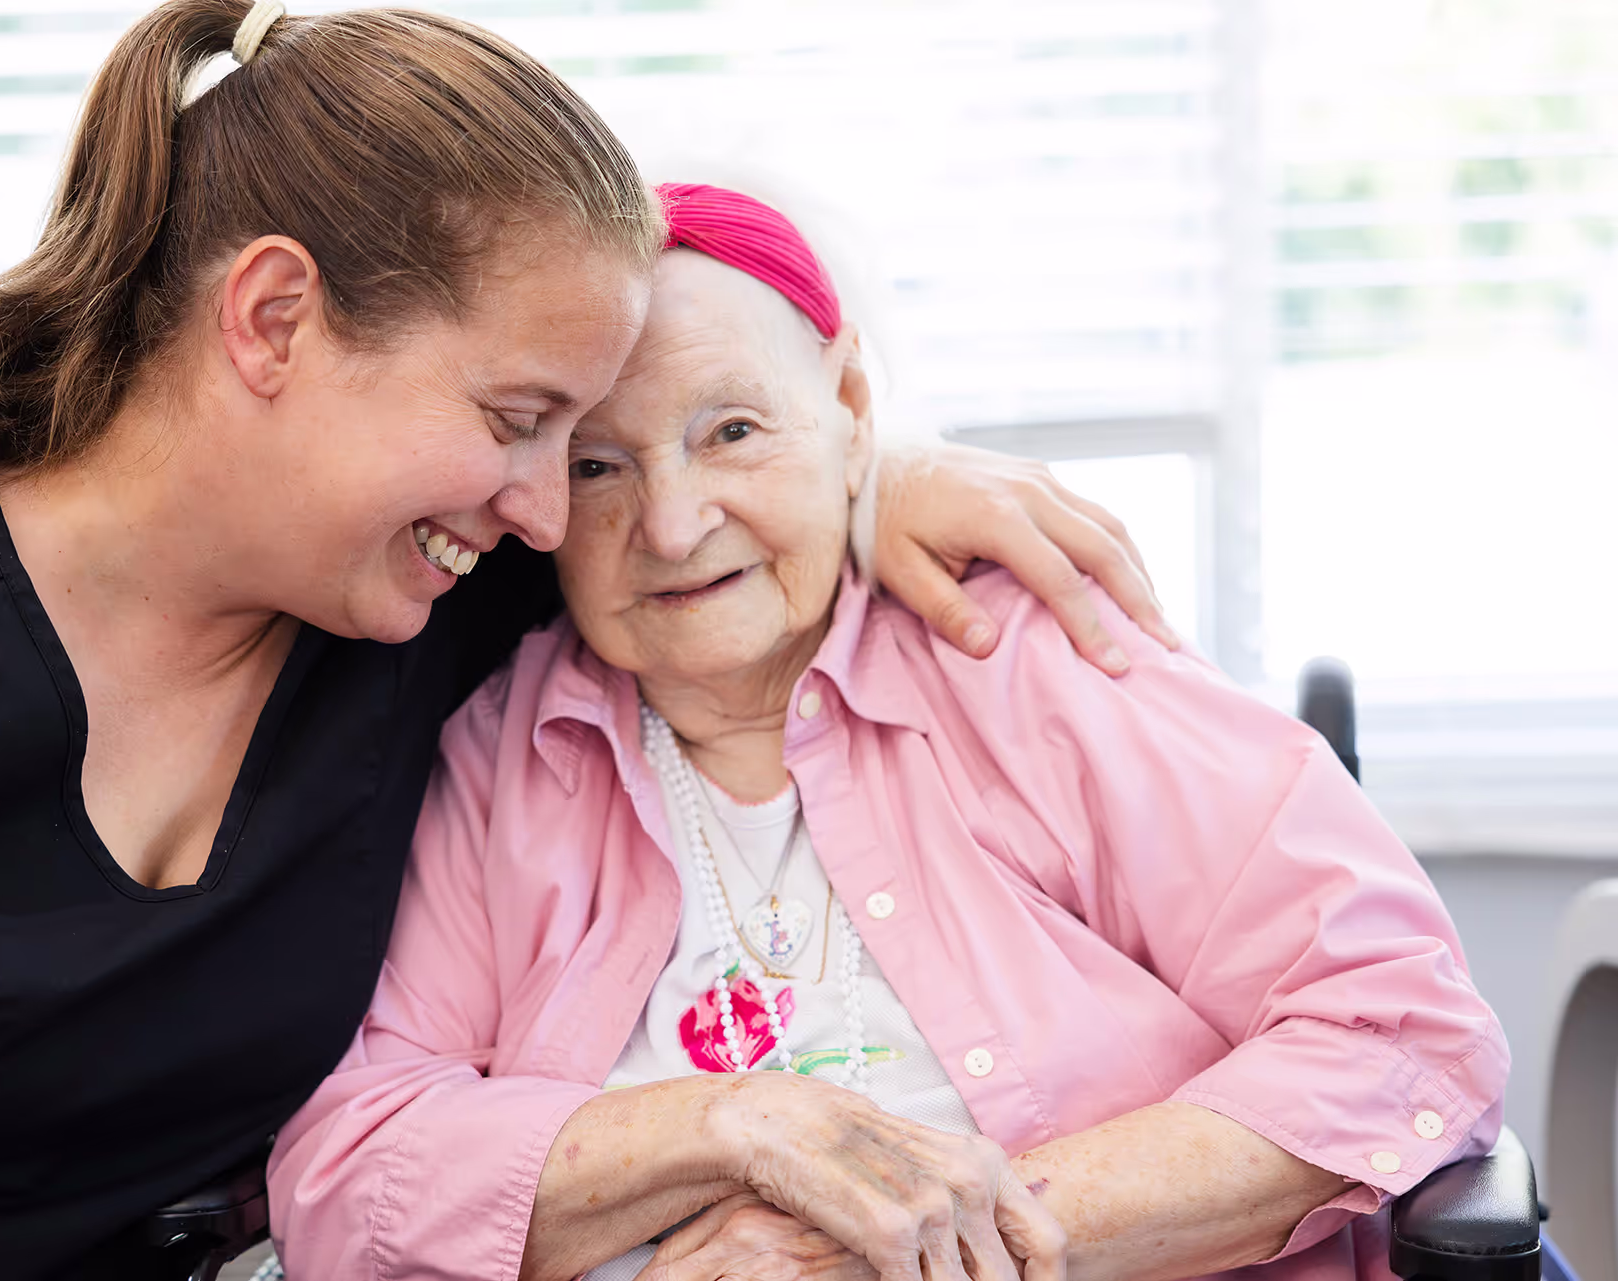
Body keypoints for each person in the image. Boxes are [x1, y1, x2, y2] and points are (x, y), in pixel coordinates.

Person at [0, 8, 1168, 1280]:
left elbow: (708, 495)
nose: (549, 509)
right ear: (272, 319)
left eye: (571, 447)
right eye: (519, 421)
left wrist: (878, 470)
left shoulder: (444, 584)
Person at [268, 185, 1510, 1281]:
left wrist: (907, 1245)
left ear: (853, 407)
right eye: (597, 466)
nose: (673, 522)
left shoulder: (1021, 655)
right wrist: (730, 1125)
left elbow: (1398, 1028)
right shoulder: (508, 749)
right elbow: (347, 1172)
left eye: (733, 432)